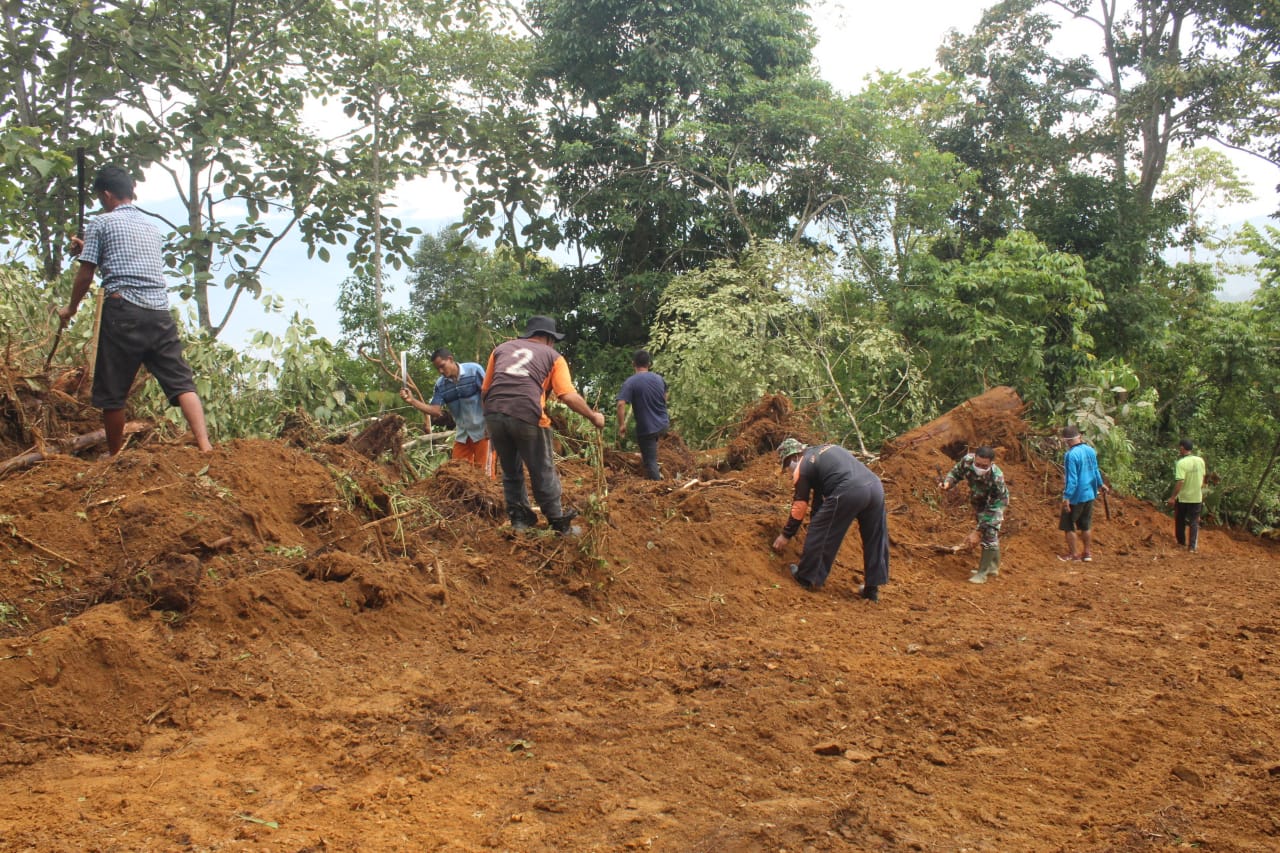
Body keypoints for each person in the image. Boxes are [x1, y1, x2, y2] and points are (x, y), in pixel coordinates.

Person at [57, 166, 212, 457]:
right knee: (181, 383)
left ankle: (115, 457)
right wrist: (88, 248)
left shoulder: (101, 223)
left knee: (112, 392)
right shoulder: (151, 228)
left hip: (123, 311)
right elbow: (128, 264)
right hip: (159, 313)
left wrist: (71, 308)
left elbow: (86, 274)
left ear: (106, 195)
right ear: (131, 192)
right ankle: (205, 446)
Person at [481, 316, 606, 533]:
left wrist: (490, 420)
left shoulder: (501, 349)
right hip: (527, 414)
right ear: (549, 338)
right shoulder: (553, 356)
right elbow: (567, 395)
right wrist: (593, 416)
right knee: (542, 470)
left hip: (494, 413)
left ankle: (520, 522)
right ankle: (558, 524)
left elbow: (485, 390)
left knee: (511, 472)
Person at [771, 438, 889, 601]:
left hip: (849, 489)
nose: (789, 471)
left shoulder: (802, 466)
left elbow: (800, 506)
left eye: (787, 465)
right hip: (875, 487)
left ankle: (805, 578)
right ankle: (872, 589)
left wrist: (786, 534)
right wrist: (817, 519)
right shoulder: (825, 450)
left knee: (820, 531)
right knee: (875, 536)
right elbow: (820, 500)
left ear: (794, 456)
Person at [400, 348, 491, 473]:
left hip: (483, 432)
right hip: (463, 435)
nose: (441, 371)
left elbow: (488, 396)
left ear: (450, 359)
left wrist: (490, 423)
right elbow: (436, 411)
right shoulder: (440, 385)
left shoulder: (474, 371)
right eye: (437, 369)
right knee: (458, 474)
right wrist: (412, 401)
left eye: (442, 366)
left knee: (484, 474)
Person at [940, 445, 1010, 584]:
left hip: (995, 504)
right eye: (977, 464)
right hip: (979, 500)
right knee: (988, 532)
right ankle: (992, 567)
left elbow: (992, 510)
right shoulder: (967, 461)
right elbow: (955, 473)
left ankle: (982, 573)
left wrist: (977, 532)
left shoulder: (996, 477)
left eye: (984, 466)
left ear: (991, 463)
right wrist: (948, 483)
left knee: (989, 532)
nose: (980, 468)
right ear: (974, 459)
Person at [615, 349, 670, 480]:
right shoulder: (659, 378)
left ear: (633, 364)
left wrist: (622, 425)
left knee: (649, 460)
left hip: (648, 428)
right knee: (651, 450)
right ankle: (658, 471)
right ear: (649, 364)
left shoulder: (631, 382)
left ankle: (658, 488)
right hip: (664, 424)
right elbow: (665, 395)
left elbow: (621, 404)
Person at [1058, 425, 1108, 562]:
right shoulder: (1090, 450)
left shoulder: (1070, 455)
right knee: (1085, 525)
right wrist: (1100, 484)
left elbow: (1072, 480)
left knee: (1068, 525)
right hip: (1090, 494)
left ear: (1067, 441)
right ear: (1079, 436)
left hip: (1076, 496)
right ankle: (1087, 553)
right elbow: (1095, 470)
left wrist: (1067, 497)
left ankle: (1073, 555)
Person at [1167, 438, 1206, 553]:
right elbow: (1203, 479)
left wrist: (1173, 497)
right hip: (1196, 497)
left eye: (1180, 447)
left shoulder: (1181, 463)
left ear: (1182, 448)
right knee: (1194, 522)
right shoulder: (1200, 461)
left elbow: (1180, 481)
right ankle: (1192, 547)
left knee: (1180, 520)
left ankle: (1181, 543)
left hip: (1183, 498)